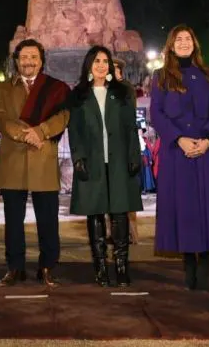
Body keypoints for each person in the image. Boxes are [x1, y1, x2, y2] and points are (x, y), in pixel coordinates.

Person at [149, 25, 209, 291]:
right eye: (179, 39)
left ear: (194, 44)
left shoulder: (207, 75)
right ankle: (188, 267)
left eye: (188, 39)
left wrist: (207, 139)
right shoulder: (161, 76)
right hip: (177, 152)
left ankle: (204, 267)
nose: (184, 43)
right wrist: (179, 139)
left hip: (205, 151)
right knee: (183, 209)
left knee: (207, 207)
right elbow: (157, 114)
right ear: (171, 45)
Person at [0, 39, 70, 288]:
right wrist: (23, 134)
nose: (29, 62)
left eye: (34, 57)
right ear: (16, 61)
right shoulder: (3, 88)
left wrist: (41, 131)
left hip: (43, 158)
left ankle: (47, 267)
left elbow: (64, 115)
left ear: (41, 60)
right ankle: (15, 268)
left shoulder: (55, 88)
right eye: (24, 57)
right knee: (13, 221)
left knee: (48, 220)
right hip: (13, 160)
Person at [66, 46, 143, 287]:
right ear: (89, 65)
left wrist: (134, 155)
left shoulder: (121, 93)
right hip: (93, 161)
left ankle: (121, 267)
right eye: (97, 61)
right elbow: (75, 130)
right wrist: (78, 158)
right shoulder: (79, 95)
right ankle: (100, 267)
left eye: (105, 61)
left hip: (119, 160)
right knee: (95, 212)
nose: (101, 65)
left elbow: (131, 128)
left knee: (120, 213)